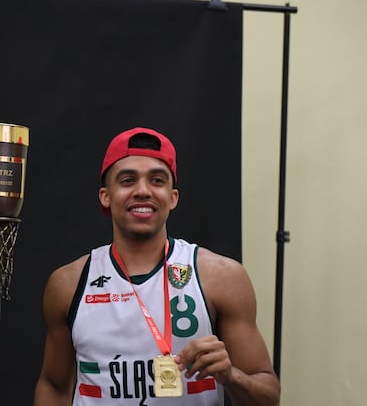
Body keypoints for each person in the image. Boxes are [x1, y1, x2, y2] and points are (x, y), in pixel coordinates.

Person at [33, 127, 280, 405]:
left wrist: (231, 376)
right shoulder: (69, 283)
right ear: (105, 196)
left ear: (172, 197)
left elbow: (268, 398)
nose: (142, 191)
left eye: (157, 180)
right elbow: (53, 386)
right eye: (127, 180)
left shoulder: (220, 276)